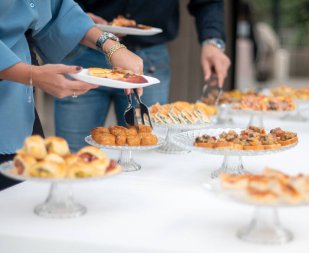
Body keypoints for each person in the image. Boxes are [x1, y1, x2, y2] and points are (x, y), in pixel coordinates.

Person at [0, 0, 143, 190]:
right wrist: (32, 74)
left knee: (27, 192)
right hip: (17, 80)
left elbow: (56, 8)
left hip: (18, 103)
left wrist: (111, 46)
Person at [55, 0, 231, 152]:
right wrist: (74, 14)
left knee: (145, 152)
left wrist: (212, 41)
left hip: (148, 61)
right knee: (73, 155)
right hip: (85, 51)